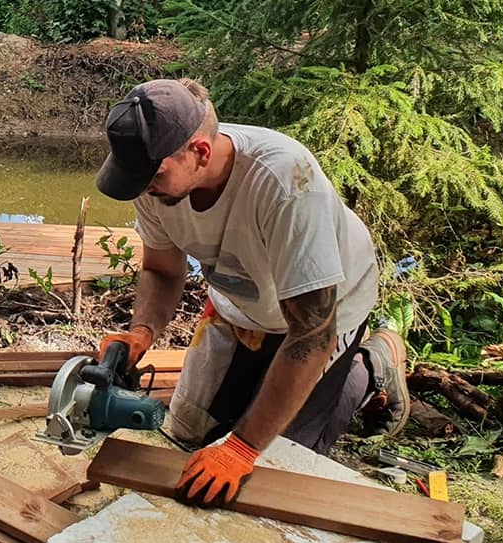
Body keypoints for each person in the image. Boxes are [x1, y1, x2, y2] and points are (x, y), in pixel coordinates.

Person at [93, 78, 411, 507]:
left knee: (282, 462)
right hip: (242, 300)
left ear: (200, 153)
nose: (142, 187)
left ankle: (371, 366)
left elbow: (312, 335)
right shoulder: (155, 178)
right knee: (191, 433)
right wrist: (142, 332)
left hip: (325, 315)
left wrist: (243, 449)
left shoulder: (284, 182)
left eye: (152, 176)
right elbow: (161, 270)